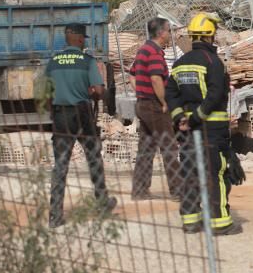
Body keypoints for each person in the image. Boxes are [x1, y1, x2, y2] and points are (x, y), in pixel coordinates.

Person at [166, 12, 241, 236]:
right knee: (214, 174)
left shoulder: (179, 64)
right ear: (209, 36)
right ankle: (220, 223)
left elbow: (171, 93)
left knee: (189, 174)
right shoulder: (213, 62)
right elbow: (216, 94)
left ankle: (190, 221)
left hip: (186, 131)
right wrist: (197, 116)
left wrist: (180, 117)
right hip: (211, 130)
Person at [42, 23, 117, 228]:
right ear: (79, 39)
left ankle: (55, 215)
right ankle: (102, 203)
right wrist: (93, 92)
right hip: (82, 114)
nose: (84, 41)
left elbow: (46, 93)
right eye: (84, 38)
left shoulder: (53, 62)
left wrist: (54, 112)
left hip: (60, 115)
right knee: (93, 158)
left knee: (60, 165)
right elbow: (100, 91)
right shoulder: (87, 61)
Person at [129, 17, 182, 200]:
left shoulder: (143, 49)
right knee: (169, 147)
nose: (170, 34)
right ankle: (177, 190)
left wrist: (141, 93)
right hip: (154, 105)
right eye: (169, 31)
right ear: (160, 33)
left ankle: (139, 190)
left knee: (146, 148)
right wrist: (163, 102)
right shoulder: (154, 52)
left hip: (143, 104)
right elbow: (156, 79)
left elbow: (132, 76)